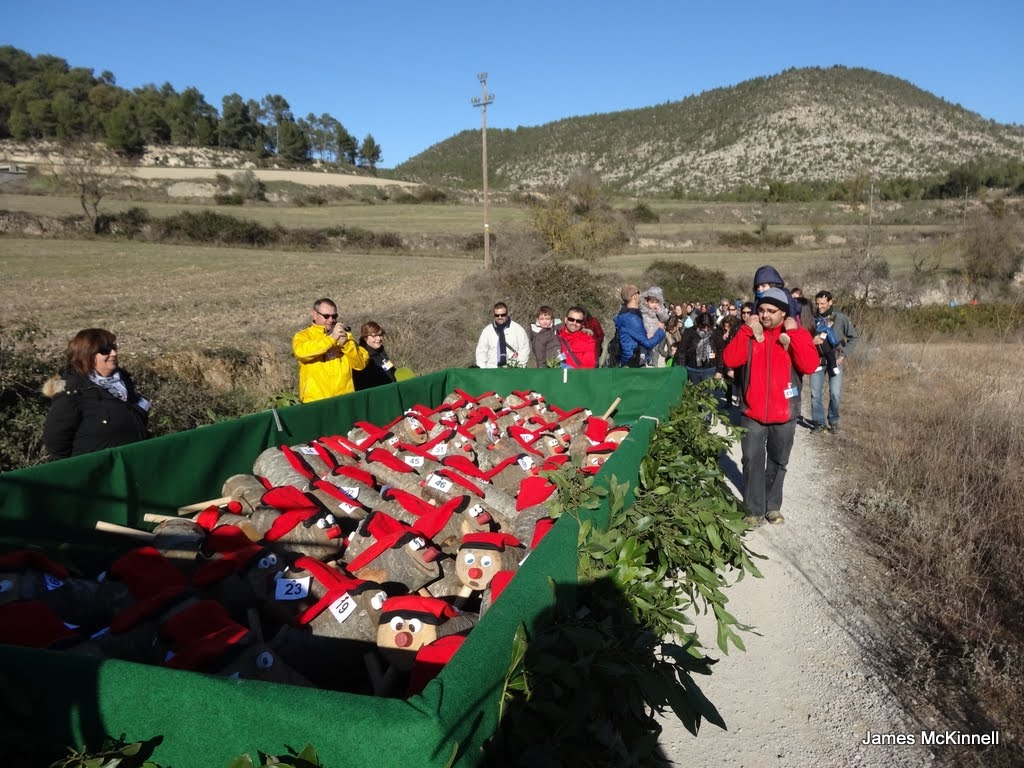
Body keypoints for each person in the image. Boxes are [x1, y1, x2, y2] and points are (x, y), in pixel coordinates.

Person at [723, 288, 819, 526]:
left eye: (771, 311)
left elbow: (809, 365)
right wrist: (746, 329)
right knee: (751, 459)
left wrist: (794, 334)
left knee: (778, 461)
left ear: (784, 313)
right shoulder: (749, 335)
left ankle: (772, 506)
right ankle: (753, 509)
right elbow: (730, 360)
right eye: (762, 310)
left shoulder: (797, 335)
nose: (765, 315)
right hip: (752, 413)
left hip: (785, 413)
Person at [42, 328, 151, 459]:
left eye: (114, 348)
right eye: (105, 351)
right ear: (87, 355)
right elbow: (56, 443)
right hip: (99, 473)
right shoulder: (72, 393)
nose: (114, 353)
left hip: (130, 464)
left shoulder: (123, 382)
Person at [292, 297, 369, 403]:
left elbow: (361, 363)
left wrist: (346, 345)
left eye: (334, 316)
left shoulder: (344, 336)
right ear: (315, 314)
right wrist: (331, 339)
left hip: (344, 399)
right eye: (326, 316)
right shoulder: (303, 336)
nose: (331, 320)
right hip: (316, 402)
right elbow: (301, 352)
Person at [809, 290, 859, 433]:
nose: (819, 307)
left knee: (835, 393)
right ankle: (819, 423)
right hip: (817, 361)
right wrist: (812, 341)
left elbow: (854, 337)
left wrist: (843, 355)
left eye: (823, 304)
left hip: (835, 361)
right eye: (817, 304)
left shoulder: (841, 318)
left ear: (830, 302)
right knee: (815, 394)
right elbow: (805, 338)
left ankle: (834, 420)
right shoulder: (812, 319)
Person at [613, 285, 666, 367]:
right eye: (638, 293)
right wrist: (660, 330)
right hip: (631, 360)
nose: (640, 296)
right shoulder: (631, 318)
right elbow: (647, 343)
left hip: (632, 359)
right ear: (634, 296)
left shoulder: (632, 314)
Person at [674, 312, 723, 386]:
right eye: (703, 326)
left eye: (708, 326)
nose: (706, 329)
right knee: (694, 394)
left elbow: (720, 351)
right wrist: (682, 369)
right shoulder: (689, 332)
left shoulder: (715, 333)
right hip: (692, 368)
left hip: (709, 368)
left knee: (708, 394)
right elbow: (682, 351)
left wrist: (719, 370)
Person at [475, 302, 531, 368]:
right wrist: (483, 371)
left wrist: (517, 367)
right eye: (497, 315)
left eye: (503, 315)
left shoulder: (518, 330)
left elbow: (524, 350)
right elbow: (481, 352)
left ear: (507, 314)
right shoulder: (487, 331)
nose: (500, 317)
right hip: (492, 370)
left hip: (512, 370)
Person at [352, 321, 397, 391]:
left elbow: (391, 370)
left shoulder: (381, 351)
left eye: (380, 335)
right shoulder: (362, 357)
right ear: (365, 337)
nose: (379, 339)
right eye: (374, 336)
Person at [640, 286, 671, 367]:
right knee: (643, 347)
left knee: (655, 350)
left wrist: (659, 311)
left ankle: (654, 363)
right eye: (652, 302)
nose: (654, 304)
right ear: (647, 302)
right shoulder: (643, 311)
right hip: (645, 333)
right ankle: (642, 358)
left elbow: (665, 318)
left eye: (656, 302)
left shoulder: (660, 310)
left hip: (656, 334)